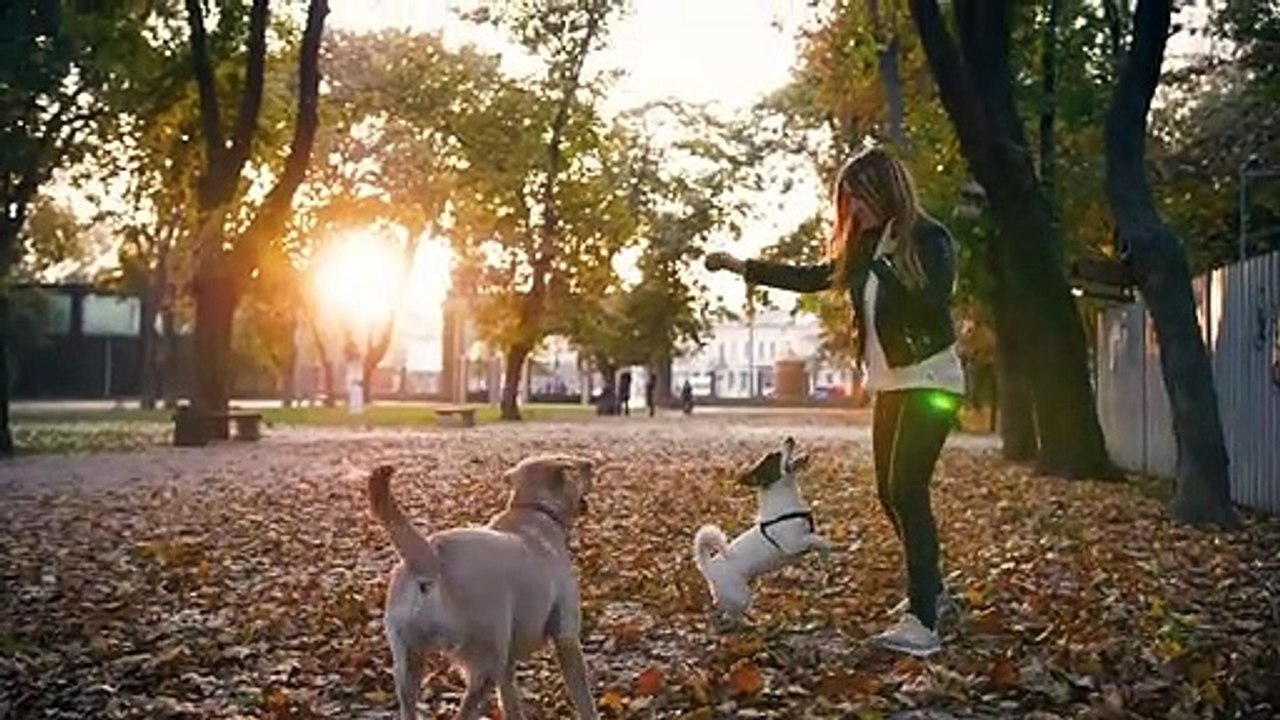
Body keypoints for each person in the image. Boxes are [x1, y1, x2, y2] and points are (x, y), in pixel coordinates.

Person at [705, 146, 964, 657]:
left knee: (908, 492)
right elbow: (812, 276)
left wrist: (884, 267)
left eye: (860, 198)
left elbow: (932, 302)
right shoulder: (868, 244)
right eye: (847, 201)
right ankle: (932, 594)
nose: (854, 210)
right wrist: (742, 266)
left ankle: (925, 619)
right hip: (891, 384)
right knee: (890, 496)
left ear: (886, 190)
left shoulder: (929, 238)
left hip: (931, 380)